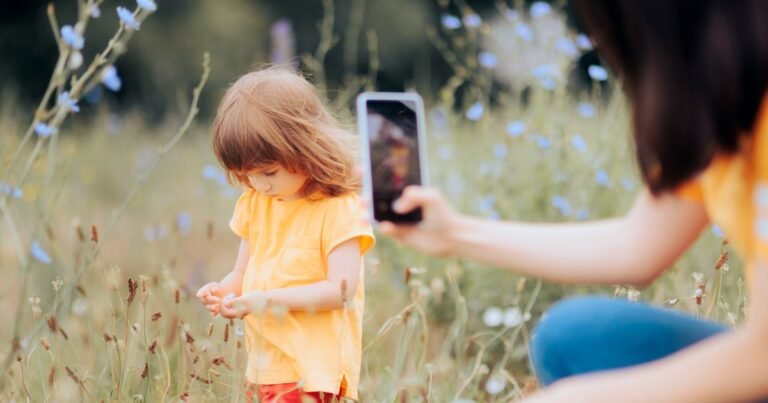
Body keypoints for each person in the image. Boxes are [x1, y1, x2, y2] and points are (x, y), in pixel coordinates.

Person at [381, 1, 768, 402]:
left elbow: (762, 360)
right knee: (577, 333)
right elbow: (637, 247)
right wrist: (455, 233)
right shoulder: (722, 107)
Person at [195, 66, 375, 403]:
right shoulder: (256, 203)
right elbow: (243, 273)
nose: (259, 184)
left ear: (304, 146)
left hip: (314, 370)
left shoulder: (338, 209)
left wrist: (262, 301)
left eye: (268, 172)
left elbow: (340, 291)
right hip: (266, 365)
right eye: (245, 175)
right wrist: (225, 292)